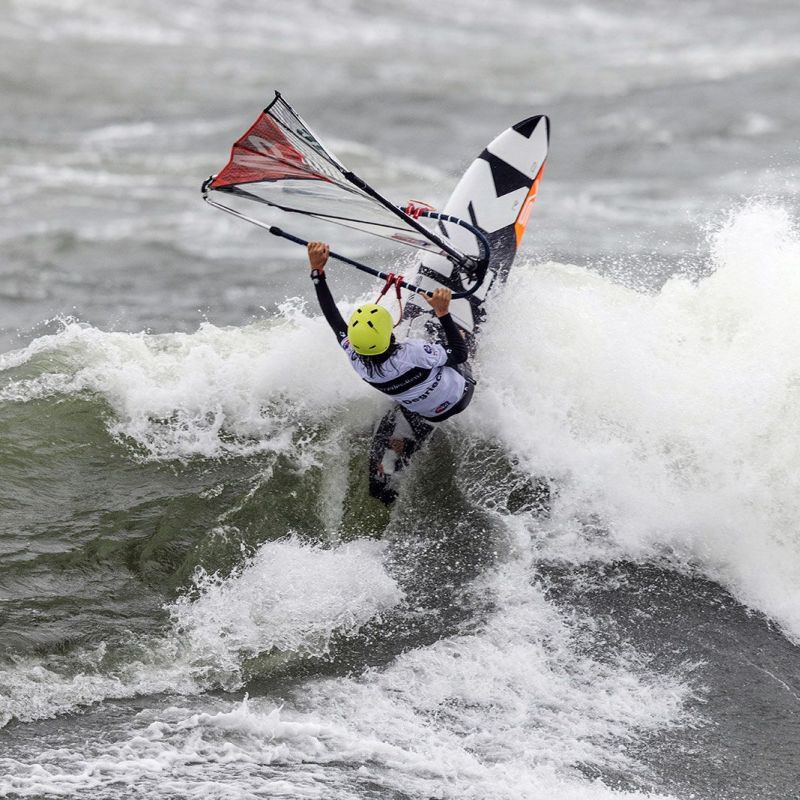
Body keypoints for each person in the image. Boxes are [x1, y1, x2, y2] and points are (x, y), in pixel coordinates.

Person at [306, 241, 475, 425]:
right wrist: (442, 312)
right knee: (452, 337)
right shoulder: (412, 352)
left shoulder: (356, 359)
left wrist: (317, 271)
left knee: (405, 388)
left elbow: (332, 318)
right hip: (461, 395)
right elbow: (459, 354)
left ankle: (408, 431)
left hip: (431, 415)